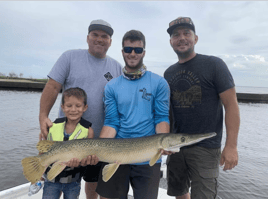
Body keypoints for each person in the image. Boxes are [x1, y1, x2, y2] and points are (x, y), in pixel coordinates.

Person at [39, 19, 122, 199]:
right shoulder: (69, 57)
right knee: (62, 182)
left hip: (102, 140)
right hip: (69, 140)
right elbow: (52, 87)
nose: (99, 39)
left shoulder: (116, 67)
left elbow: (122, 101)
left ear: (110, 41)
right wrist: (43, 116)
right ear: (87, 38)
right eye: (95, 35)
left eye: (104, 36)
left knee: (94, 181)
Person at [164, 17, 240, 199]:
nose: (181, 38)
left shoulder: (214, 65)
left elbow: (231, 105)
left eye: (186, 33)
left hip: (205, 148)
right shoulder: (168, 73)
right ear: (171, 42)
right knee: (179, 191)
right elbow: (167, 112)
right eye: (176, 35)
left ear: (195, 38)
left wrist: (231, 146)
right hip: (175, 145)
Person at [95, 30, 170, 199]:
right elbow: (112, 122)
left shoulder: (159, 83)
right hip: (116, 154)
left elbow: (161, 117)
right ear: (122, 52)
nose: (133, 54)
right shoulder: (112, 86)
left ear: (143, 52)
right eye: (128, 49)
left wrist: (165, 142)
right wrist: (97, 149)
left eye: (137, 49)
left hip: (149, 157)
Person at [42, 87, 94, 199]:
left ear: (85, 108)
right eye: (69, 106)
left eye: (78, 106)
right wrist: (40, 176)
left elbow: (87, 160)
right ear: (63, 107)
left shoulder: (88, 131)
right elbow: (43, 150)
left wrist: (81, 163)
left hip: (73, 182)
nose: (73, 110)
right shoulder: (53, 126)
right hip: (52, 180)